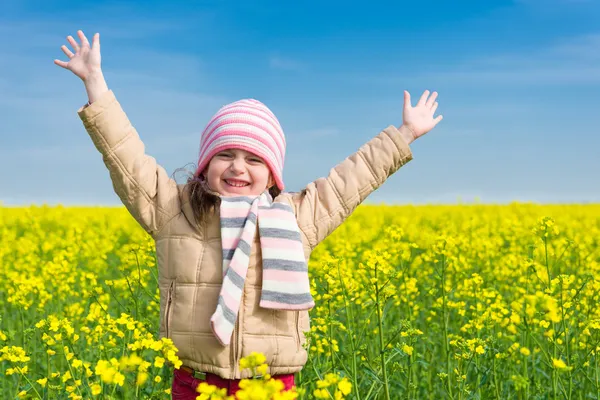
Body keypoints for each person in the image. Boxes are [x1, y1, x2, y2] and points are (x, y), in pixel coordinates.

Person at [54, 29, 443, 398]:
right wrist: (96, 86)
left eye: (254, 159)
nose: (238, 167)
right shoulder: (174, 211)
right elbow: (127, 159)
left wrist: (404, 135)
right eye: (226, 154)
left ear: (273, 174)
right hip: (195, 379)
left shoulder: (294, 217)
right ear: (205, 165)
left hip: (271, 380)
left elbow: (350, 182)